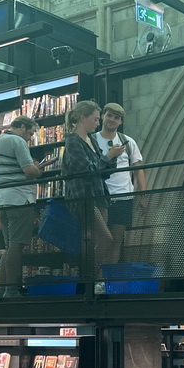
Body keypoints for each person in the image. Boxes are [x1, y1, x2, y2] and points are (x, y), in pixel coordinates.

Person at [61, 100, 121, 285]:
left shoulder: (91, 140)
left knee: (92, 241)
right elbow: (86, 169)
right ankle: (90, 279)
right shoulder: (73, 141)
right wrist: (108, 157)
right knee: (105, 239)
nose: (97, 123)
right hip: (83, 196)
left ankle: (92, 281)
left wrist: (112, 157)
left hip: (98, 195)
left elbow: (102, 171)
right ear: (82, 118)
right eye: (95, 119)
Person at [0, 115, 42, 299]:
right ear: (21, 126)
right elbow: (29, 172)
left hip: (2, 199)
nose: (29, 138)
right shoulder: (17, 142)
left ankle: (1, 290)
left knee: (9, 247)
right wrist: (37, 168)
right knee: (16, 247)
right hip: (19, 199)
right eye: (30, 132)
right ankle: (11, 289)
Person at [91, 102, 146, 261]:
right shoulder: (92, 140)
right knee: (99, 240)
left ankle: (108, 281)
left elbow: (138, 169)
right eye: (109, 115)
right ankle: (96, 278)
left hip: (124, 197)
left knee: (116, 241)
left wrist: (143, 196)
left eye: (116, 117)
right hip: (100, 197)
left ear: (120, 122)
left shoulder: (128, 142)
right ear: (103, 116)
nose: (112, 120)